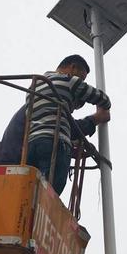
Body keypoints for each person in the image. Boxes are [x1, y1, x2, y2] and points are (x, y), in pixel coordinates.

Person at [24, 55, 111, 195]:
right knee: (52, 190)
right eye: (81, 78)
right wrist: (102, 111)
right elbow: (103, 99)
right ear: (73, 68)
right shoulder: (69, 81)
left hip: (31, 143)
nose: (81, 81)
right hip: (56, 144)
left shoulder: (34, 86)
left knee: (30, 189)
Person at [0, 102, 109, 167]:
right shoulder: (48, 102)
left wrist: (70, 146)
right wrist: (95, 119)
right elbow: (70, 129)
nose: (73, 109)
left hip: (10, 160)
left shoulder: (37, 103)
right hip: (15, 163)